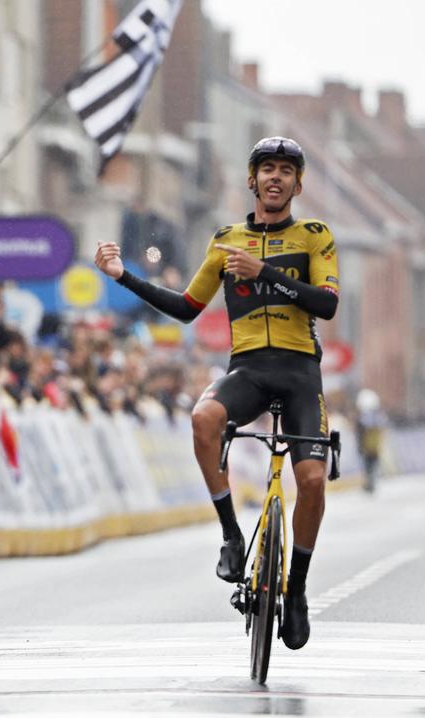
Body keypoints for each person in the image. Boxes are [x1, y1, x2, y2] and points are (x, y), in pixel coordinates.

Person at [94, 136, 340, 651]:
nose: (275, 178)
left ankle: (295, 590)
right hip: (248, 367)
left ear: (298, 183)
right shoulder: (226, 241)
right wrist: (123, 277)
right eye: (266, 169)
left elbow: (326, 304)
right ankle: (230, 533)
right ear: (252, 180)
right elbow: (187, 307)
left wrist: (266, 272)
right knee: (204, 419)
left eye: (286, 171)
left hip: (299, 372)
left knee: (313, 480)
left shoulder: (315, 235)